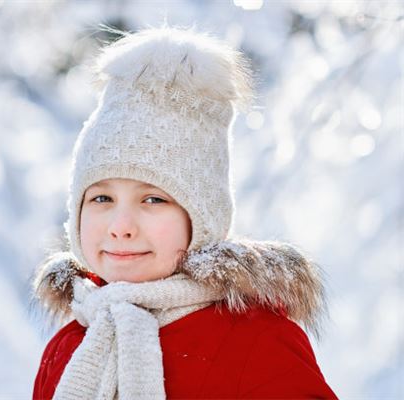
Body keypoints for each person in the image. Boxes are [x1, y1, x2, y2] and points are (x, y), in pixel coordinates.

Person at [31, 25, 337, 399]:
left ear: (201, 218)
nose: (121, 227)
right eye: (101, 199)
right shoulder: (69, 347)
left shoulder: (257, 340)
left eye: (153, 200)